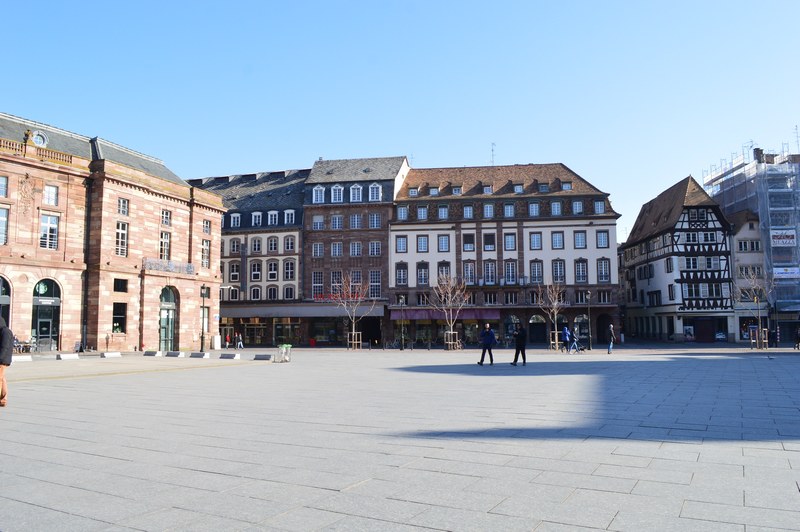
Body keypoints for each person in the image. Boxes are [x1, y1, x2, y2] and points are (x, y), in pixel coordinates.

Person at [0, 317, 14, 407]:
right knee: (2, 379)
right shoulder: (2, 331)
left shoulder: (6, 332)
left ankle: (3, 399)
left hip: (2, 360)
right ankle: (3, 400)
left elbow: (4, 347)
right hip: (2, 359)